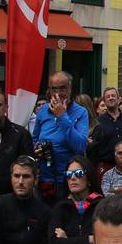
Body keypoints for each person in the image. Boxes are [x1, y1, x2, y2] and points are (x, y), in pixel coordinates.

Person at [32, 72, 89, 200]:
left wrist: (62, 116)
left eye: (62, 88)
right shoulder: (43, 110)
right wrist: (36, 150)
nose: (58, 93)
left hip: (68, 179)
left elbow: (80, 146)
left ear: (69, 88)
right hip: (45, 178)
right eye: (54, 89)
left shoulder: (81, 112)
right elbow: (34, 139)